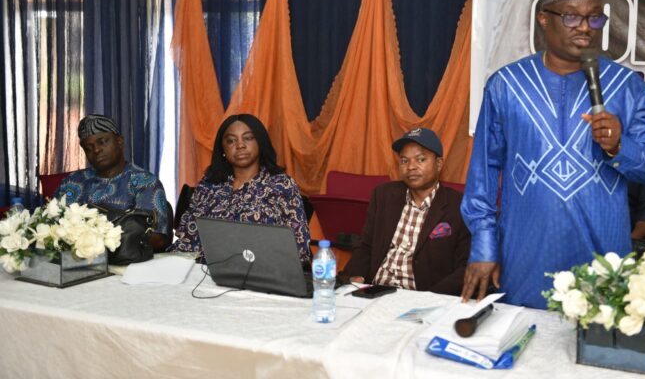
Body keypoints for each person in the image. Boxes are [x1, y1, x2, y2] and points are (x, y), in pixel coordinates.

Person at [460, 0, 645, 308]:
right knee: (524, 349)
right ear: (545, 18)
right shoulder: (506, 86)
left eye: (595, 17)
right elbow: (483, 174)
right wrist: (484, 245)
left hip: (602, 261)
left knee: (596, 354)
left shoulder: (627, 86)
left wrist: (621, 146)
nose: (585, 28)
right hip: (525, 256)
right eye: (572, 17)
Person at [341, 127, 471, 295]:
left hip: (421, 296)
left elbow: (465, 267)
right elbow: (366, 246)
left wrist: (429, 299)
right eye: (404, 161)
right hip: (376, 290)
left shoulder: (459, 206)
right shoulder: (383, 196)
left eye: (421, 159)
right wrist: (354, 277)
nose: (411, 167)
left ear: (439, 164)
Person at [169, 114, 311, 264]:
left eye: (248, 138)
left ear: (260, 143)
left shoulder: (282, 185)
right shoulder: (207, 186)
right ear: (223, 149)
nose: (240, 145)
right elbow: (187, 240)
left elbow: (299, 247)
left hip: (262, 275)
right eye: (231, 141)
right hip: (203, 274)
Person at [55, 114, 173, 251]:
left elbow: (157, 239)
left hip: (129, 266)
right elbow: (52, 227)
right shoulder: (71, 183)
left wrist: (100, 244)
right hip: (76, 263)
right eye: (88, 147)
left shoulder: (145, 183)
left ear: (119, 141)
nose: (96, 150)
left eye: (102, 142)